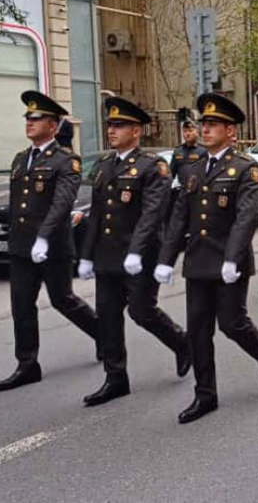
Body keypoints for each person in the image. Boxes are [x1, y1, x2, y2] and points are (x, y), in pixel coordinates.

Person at [154, 93, 258, 424]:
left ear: (231, 131)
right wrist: (166, 258)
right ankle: (205, 394)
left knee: (232, 324)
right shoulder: (192, 168)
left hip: (228, 262)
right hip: (198, 261)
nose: (204, 129)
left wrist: (232, 258)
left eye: (213, 124)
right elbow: (180, 216)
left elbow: (246, 217)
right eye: (203, 124)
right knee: (198, 331)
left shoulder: (245, 168)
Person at [77, 96, 191, 406]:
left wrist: (136, 251)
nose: (111, 130)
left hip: (140, 256)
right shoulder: (104, 166)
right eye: (110, 125)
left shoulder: (153, 166)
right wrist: (86, 255)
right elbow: (96, 216)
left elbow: (152, 213)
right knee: (108, 316)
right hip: (107, 255)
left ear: (137, 131)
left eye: (119, 125)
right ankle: (116, 378)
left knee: (142, 312)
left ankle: (181, 342)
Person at [0, 92, 99, 392]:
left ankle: (106, 337)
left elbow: (62, 203)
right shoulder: (20, 160)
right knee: (21, 304)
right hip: (21, 247)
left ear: (53, 126)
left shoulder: (66, 160)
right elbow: (17, 204)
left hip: (53, 246)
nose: (29, 122)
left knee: (62, 300)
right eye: (28, 117)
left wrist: (43, 237)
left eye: (37, 118)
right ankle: (27, 364)